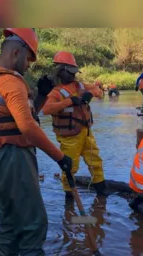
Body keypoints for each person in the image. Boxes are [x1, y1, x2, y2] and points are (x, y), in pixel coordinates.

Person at [0, 28, 73, 256]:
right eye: (28, 59)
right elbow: (27, 127)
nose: (29, 65)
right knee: (34, 225)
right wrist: (60, 157)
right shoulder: (10, 82)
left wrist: (40, 97)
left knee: (9, 224)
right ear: (16, 52)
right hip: (12, 158)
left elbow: (17, 120)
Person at [41, 51, 108, 199]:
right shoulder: (55, 92)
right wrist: (70, 101)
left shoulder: (79, 85)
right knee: (71, 167)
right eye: (70, 73)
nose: (73, 76)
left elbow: (98, 90)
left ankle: (102, 192)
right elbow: (46, 109)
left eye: (74, 73)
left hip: (86, 132)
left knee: (95, 161)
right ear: (60, 71)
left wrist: (91, 94)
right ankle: (69, 199)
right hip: (69, 136)